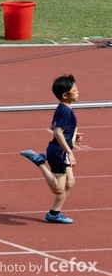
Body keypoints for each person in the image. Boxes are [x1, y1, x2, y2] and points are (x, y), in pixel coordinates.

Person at [20, 74, 83, 224]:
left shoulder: (62, 108)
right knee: (58, 189)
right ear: (65, 95)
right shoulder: (66, 111)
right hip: (59, 152)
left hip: (60, 149)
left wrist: (73, 136)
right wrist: (69, 152)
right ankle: (39, 161)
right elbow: (57, 132)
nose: (78, 92)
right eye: (75, 90)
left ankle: (54, 213)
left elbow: (53, 126)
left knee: (70, 183)